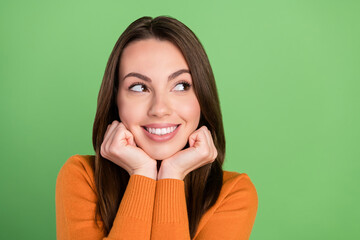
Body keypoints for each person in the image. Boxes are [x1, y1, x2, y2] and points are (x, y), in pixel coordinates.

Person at [56, 16, 258, 240]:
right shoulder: (83, 177)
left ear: (202, 95)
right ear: (115, 99)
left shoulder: (232, 193)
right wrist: (142, 173)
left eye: (181, 85)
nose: (159, 109)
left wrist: (172, 174)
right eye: (139, 87)